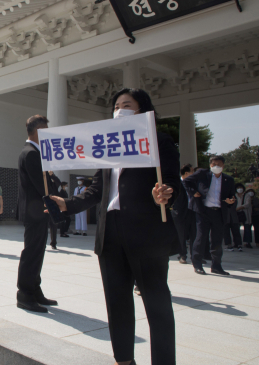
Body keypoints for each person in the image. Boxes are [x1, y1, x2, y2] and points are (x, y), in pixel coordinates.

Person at [49, 88, 181, 365]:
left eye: (127, 105)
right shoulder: (108, 146)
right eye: (116, 106)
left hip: (147, 233)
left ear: (142, 110)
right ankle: (123, 360)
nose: (120, 110)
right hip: (110, 233)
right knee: (117, 303)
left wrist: (165, 193)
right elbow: (97, 188)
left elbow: (171, 180)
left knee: (157, 304)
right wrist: (68, 204)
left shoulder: (159, 141)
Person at [16, 115, 59, 313]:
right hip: (34, 211)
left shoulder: (34, 152)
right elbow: (42, 186)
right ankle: (25, 294)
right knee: (32, 253)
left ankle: (35, 290)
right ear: (39, 131)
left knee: (37, 252)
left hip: (36, 211)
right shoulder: (31, 153)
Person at [184, 155, 237, 276]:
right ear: (210, 165)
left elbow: (231, 196)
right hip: (203, 211)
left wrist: (231, 201)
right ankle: (197, 264)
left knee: (217, 239)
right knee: (201, 237)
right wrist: (193, 192)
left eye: (219, 164)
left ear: (223, 166)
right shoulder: (203, 173)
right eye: (214, 164)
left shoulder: (228, 180)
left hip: (218, 212)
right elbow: (186, 181)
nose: (216, 166)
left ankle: (216, 266)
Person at [171, 164, 197, 264]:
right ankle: (182, 255)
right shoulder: (177, 183)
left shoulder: (194, 183)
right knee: (181, 235)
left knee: (194, 234)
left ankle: (195, 256)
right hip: (180, 212)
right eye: (192, 171)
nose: (193, 173)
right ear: (186, 173)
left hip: (193, 211)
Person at [235, 183, 253, 249]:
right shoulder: (235, 195)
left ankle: (247, 242)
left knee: (247, 228)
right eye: (238, 188)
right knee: (236, 228)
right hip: (237, 214)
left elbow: (247, 204)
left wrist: (240, 207)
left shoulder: (246, 195)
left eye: (241, 187)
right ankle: (237, 242)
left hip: (245, 213)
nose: (240, 189)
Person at [48, 171, 62, 250]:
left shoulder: (54, 185)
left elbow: (58, 182)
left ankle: (53, 243)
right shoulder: (43, 185)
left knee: (53, 225)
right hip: (44, 205)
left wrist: (52, 175)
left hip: (53, 206)